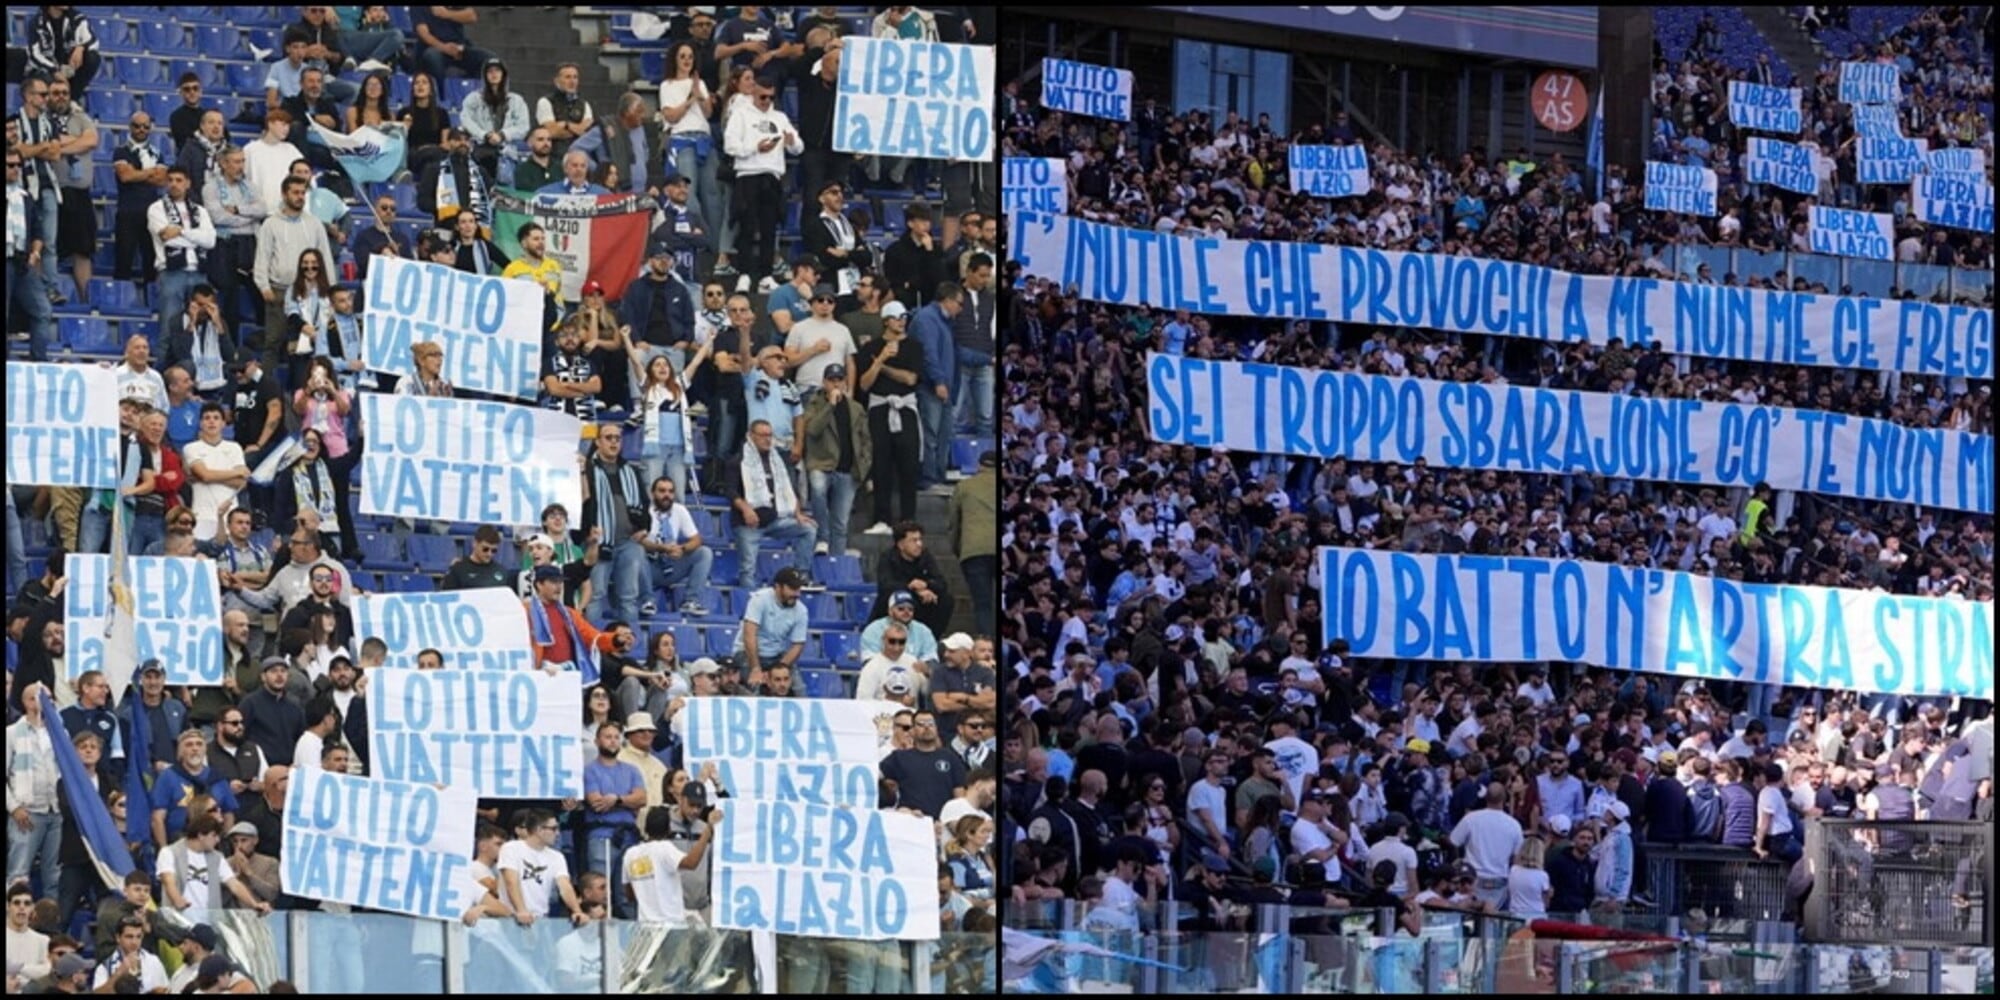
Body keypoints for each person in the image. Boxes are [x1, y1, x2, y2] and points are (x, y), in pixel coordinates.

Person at [721, 83, 802, 293]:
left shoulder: (780, 117)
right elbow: (730, 145)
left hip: (772, 176)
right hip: (748, 175)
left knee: (769, 229)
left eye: (770, 97)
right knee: (746, 227)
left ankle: (766, 275)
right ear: (754, 95)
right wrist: (755, 148)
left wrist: (792, 141)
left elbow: (798, 147)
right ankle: (744, 274)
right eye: (763, 97)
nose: (767, 102)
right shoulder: (741, 114)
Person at [729, 420, 818, 588]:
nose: (767, 439)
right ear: (751, 436)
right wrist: (746, 509)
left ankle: (801, 576)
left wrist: (797, 513)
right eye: (762, 435)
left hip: (775, 519)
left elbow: (789, 489)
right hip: (748, 524)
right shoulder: (738, 460)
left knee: (808, 529)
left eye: (769, 435)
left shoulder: (777, 461)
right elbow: (731, 492)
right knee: (747, 570)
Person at [800, 362, 870, 556]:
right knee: (818, 489)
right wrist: (830, 405)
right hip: (821, 463)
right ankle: (822, 536)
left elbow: (866, 439)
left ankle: (836, 562)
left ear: (846, 382)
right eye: (832, 380)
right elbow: (813, 430)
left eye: (839, 379)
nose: (836, 384)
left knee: (841, 523)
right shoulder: (814, 403)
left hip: (848, 469)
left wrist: (863, 466)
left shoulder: (856, 408)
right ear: (824, 382)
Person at [909, 281, 963, 489]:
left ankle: (939, 475)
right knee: (930, 435)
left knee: (943, 435)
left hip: (945, 388)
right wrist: (939, 381)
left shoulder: (945, 322)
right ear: (947, 301)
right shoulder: (926, 319)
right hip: (931, 388)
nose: (960, 309)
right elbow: (928, 354)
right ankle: (928, 477)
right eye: (959, 304)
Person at [499, 807, 591, 926]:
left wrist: (577, 911)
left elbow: (565, 887)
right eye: (553, 828)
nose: (557, 833)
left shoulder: (556, 856)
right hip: (512, 917)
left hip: (540, 919)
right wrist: (521, 910)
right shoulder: (511, 848)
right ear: (539, 830)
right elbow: (511, 881)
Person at [7, 150, 58, 361]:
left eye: (18, 165)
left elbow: (37, 231)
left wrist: (35, 252)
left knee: (42, 310)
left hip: (21, 260)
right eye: (10, 165)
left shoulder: (25, 197)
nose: (15, 169)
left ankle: (39, 360)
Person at [639, 476, 715, 617]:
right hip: (649, 567)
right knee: (636, 553)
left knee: (704, 553)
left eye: (670, 491)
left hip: (673, 564)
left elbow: (696, 539)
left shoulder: (679, 510)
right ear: (652, 493)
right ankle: (647, 601)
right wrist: (661, 548)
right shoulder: (644, 510)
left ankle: (690, 601)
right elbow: (639, 541)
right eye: (662, 491)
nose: (666, 495)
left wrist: (683, 549)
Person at [733, 568, 810, 696]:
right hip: (747, 653)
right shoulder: (760, 599)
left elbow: (798, 645)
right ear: (778, 587)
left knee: (799, 689)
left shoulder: (801, 610)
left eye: (798, 589)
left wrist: (780, 668)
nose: (797, 594)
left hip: (777, 656)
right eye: (792, 588)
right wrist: (756, 668)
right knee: (756, 688)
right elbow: (749, 634)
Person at [881, 710, 969, 819]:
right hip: (911, 820)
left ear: (936, 729)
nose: (927, 727)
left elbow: (959, 795)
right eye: (921, 724)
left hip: (943, 823)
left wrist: (956, 820)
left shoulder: (950, 757)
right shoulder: (898, 757)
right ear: (912, 730)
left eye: (931, 724)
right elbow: (882, 784)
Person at [869, 522, 952, 638]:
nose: (919, 544)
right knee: (902, 601)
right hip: (896, 602)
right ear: (901, 544)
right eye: (914, 540)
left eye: (920, 540)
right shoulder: (888, 558)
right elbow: (886, 585)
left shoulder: (925, 556)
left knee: (945, 600)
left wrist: (926, 585)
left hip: (923, 603)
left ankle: (931, 639)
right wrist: (911, 587)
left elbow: (941, 582)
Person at [950, 450, 998, 626]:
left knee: (982, 604)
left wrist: (957, 548)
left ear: (979, 465)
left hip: (973, 550)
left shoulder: (964, 487)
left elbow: (954, 523)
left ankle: (986, 646)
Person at [442, 525, 515, 591]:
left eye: (494, 550)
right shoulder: (458, 569)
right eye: (485, 549)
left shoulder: (502, 571)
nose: (489, 554)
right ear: (475, 544)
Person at [1507, 836, 1553, 919]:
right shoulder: (1542, 876)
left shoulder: (1513, 870)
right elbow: (1546, 902)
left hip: (1515, 915)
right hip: (1537, 917)